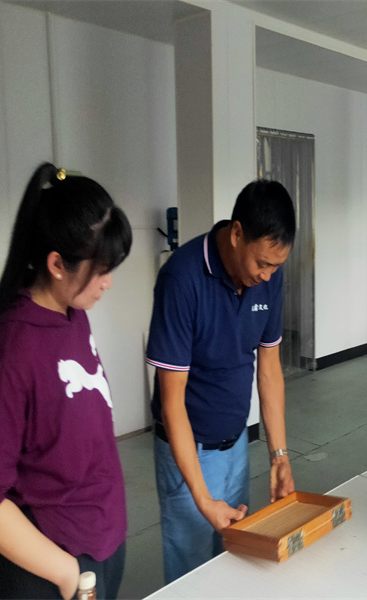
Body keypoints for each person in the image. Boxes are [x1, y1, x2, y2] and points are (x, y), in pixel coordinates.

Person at [0, 163, 133, 600]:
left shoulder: (73, 314)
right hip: (54, 566)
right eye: (101, 270)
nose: (108, 283)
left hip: (101, 541)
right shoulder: (12, 347)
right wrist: (66, 573)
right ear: (57, 264)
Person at [145, 179, 296, 583]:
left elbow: (269, 369)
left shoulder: (269, 278)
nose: (268, 275)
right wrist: (201, 497)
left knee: (233, 562)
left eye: (276, 266)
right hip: (189, 452)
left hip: (236, 446)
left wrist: (279, 456)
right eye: (262, 263)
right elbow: (172, 401)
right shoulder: (182, 279)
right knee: (191, 575)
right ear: (236, 233)